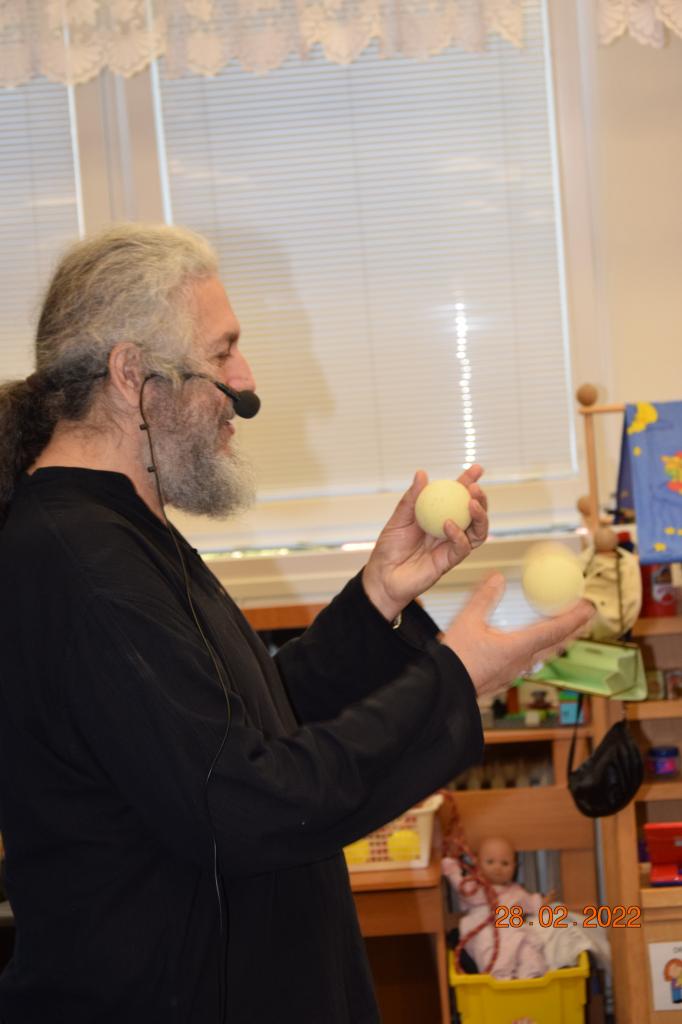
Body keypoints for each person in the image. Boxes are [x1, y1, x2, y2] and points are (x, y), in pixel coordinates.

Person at [0, 224, 592, 1023]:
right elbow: (240, 800)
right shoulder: (81, 564)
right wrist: (454, 679)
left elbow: (241, 725)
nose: (246, 382)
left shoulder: (122, 533)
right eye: (222, 353)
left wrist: (376, 600)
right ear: (132, 375)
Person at [443, 836, 550, 979]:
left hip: (514, 932)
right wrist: (450, 865)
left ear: (515, 867)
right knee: (492, 952)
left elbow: (531, 903)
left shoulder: (516, 891)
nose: (497, 868)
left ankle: (531, 977)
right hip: (486, 933)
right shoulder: (475, 888)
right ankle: (501, 979)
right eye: (490, 862)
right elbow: (459, 883)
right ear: (478, 864)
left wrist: (542, 901)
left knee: (528, 949)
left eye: (505, 863)